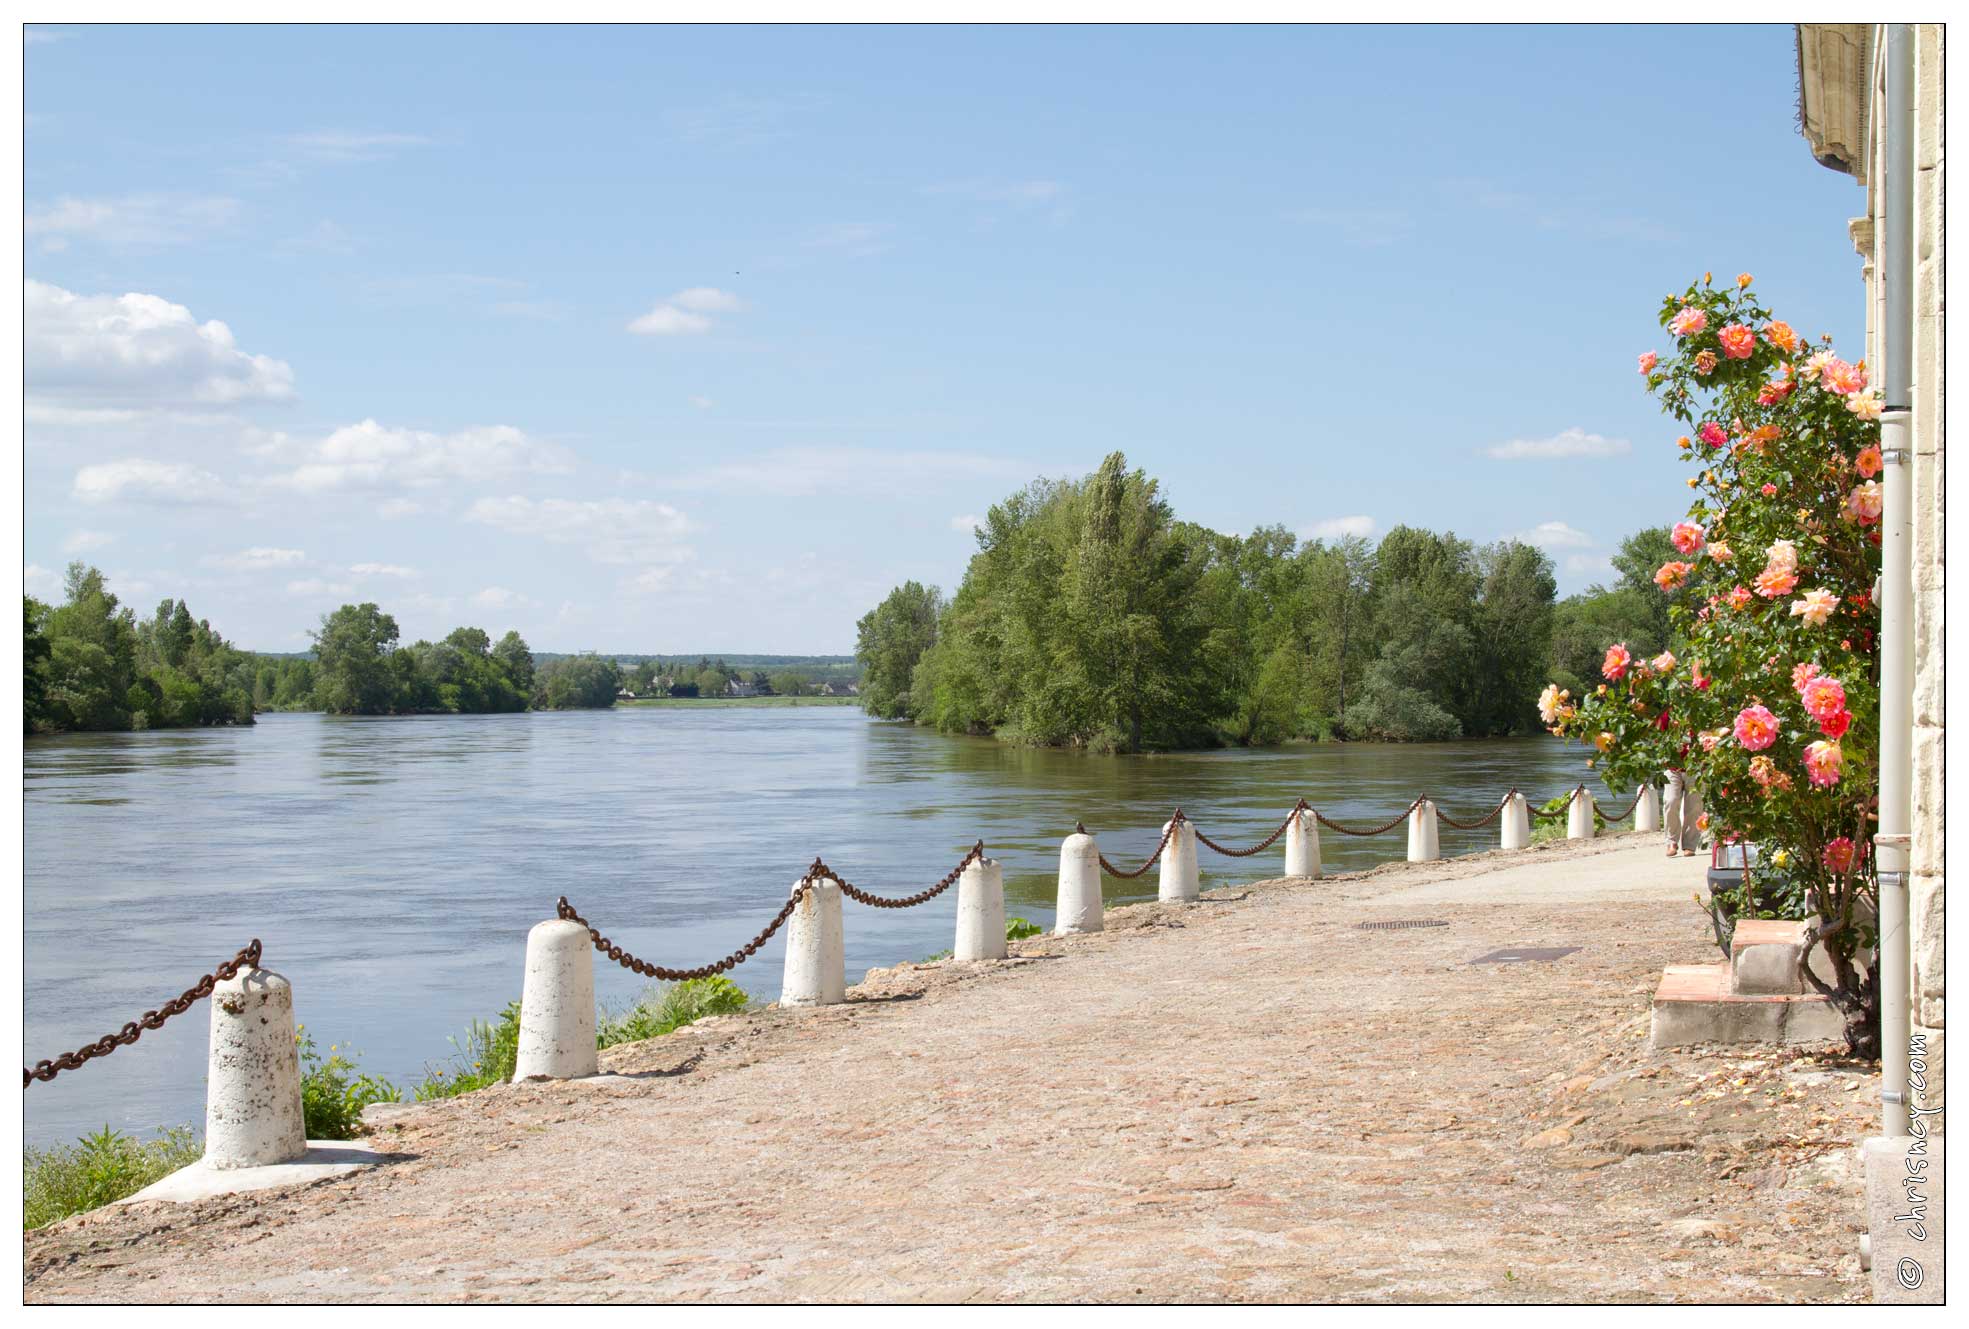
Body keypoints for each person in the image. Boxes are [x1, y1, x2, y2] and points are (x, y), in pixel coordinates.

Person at [1663, 767, 1704, 856]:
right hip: (1673, 768)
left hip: (1695, 768)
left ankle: (1690, 845)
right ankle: (1671, 841)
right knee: (1671, 802)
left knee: (1694, 807)